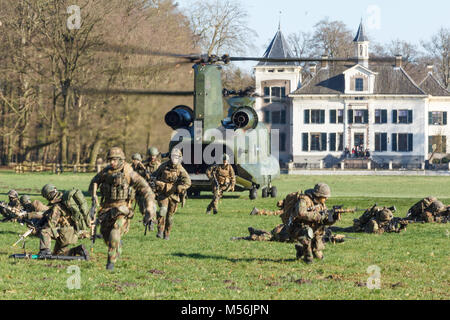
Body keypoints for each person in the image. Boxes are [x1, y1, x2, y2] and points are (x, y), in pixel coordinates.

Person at [89, 147, 156, 270]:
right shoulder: (106, 172)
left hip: (122, 210)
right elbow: (94, 181)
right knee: (106, 235)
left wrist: (149, 207)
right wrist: (94, 196)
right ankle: (117, 246)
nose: (111, 163)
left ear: (120, 160)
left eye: (114, 160)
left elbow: (147, 190)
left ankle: (110, 263)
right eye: (110, 160)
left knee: (115, 233)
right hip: (106, 210)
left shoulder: (129, 173)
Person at [284, 183, 339, 264]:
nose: (326, 198)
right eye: (325, 197)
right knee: (307, 233)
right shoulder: (304, 199)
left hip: (313, 230)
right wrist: (318, 216)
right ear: (318, 195)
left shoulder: (321, 204)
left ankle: (301, 250)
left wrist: (333, 217)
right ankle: (308, 257)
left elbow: (325, 221)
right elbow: (301, 213)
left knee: (319, 256)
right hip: (297, 228)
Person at [38, 184, 89, 259]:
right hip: (73, 233)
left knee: (45, 231)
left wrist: (39, 229)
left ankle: (45, 251)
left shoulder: (57, 206)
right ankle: (78, 250)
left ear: (49, 195)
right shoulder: (65, 201)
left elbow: (51, 224)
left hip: (65, 234)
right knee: (58, 254)